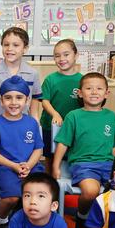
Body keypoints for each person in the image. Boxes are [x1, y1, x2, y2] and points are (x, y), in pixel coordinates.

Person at [53, 72, 115, 228]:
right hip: (83, 165)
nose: (94, 92)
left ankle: (110, 225)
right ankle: (82, 217)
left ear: (106, 93)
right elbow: (63, 143)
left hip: (108, 164)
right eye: (89, 88)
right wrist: (55, 166)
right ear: (80, 92)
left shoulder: (111, 116)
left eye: (99, 88)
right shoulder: (74, 116)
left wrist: (114, 166)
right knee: (90, 192)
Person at [0, 75, 44, 228]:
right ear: (1, 101)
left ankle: (30, 224)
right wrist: (14, 166)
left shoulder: (32, 123)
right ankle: (2, 220)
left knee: (40, 191)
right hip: (5, 168)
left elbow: (38, 148)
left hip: (31, 167)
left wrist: (29, 165)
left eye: (19, 97)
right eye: (8, 98)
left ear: (27, 100)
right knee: (12, 197)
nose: (13, 102)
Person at [0, 26, 42, 128]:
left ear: (25, 49)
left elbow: (35, 100)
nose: (10, 49)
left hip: (22, 127)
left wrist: (35, 122)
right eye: (6, 45)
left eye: (15, 45)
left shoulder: (33, 73)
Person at [40, 39, 82, 169]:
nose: (61, 59)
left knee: (69, 156)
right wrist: (55, 114)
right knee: (50, 156)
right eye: (57, 56)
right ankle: (49, 183)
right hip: (50, 125)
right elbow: (45, 101)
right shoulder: (50, 79)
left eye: (66, 54)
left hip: (72, 127)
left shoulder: (82, 80)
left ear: (76, 55)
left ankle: (64, 183)